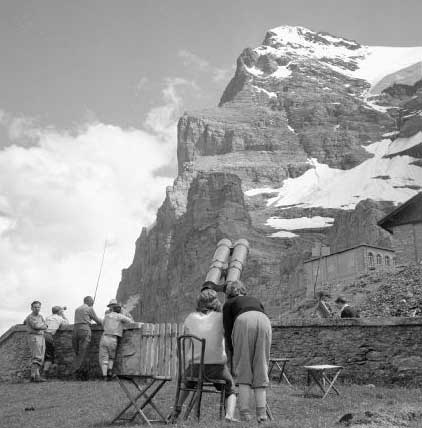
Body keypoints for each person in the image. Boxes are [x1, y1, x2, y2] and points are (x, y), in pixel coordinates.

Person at [171, 288, 237, 422]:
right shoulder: (221, 318)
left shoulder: (190, 317)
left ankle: (176, 409)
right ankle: (229, 415)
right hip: (216, 369)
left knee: (187, 382)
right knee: (230, 388)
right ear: (216, 302)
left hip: (194, 368)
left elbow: (184, 344)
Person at [223, 280, 272, 423]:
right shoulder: (254, 299)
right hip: (264, 320)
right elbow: (261, 313)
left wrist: (232, 350)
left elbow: (228, 329)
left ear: (229, 293)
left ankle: (245, 414)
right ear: (243, 290)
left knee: (244, 370)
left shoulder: (229, 303)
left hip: (243, 321)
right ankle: (262, 415)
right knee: (261, 367)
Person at [99, 299, 133, 380]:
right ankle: (110, 371)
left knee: (104, 357)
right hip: (113, 338)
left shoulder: (106, 315)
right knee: (111, 357)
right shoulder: (120, 316)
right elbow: (130, 321)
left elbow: (103, 324)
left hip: (104, 337)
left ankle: (104, 376)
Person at [72, 296, 102, 380]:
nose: (92, 303)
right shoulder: (89, 309)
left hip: (75, 330)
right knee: (83, 351)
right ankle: (79, 374)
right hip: (84, 330)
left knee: (77, 352)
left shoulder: (77, 309)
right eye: (92, 302)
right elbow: (98, 321)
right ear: (89, 301)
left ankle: (75, 371)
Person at [24, 301, 48, 382]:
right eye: (35, 307)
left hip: (41, 336)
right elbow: (37, 326)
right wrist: (43, 326)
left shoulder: (40, 316)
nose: (37, 309)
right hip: (34, 337)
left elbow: (45, 325)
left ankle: (34, 376)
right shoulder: (30, 317)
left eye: (38, 307)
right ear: (31, 308)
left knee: (40, 357)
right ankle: (34, 376)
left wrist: (44, 326)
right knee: (37, 357)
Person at [44, 305, 69, 374]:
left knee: (43, 355)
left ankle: (39, 373)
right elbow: (67, 323)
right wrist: (62, 314)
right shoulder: (59, 318)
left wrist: (61, 310)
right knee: (49, 356)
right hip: (48, 336)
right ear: (59, 312)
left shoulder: (48, 317)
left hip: (41, 335)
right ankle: (45, 373)